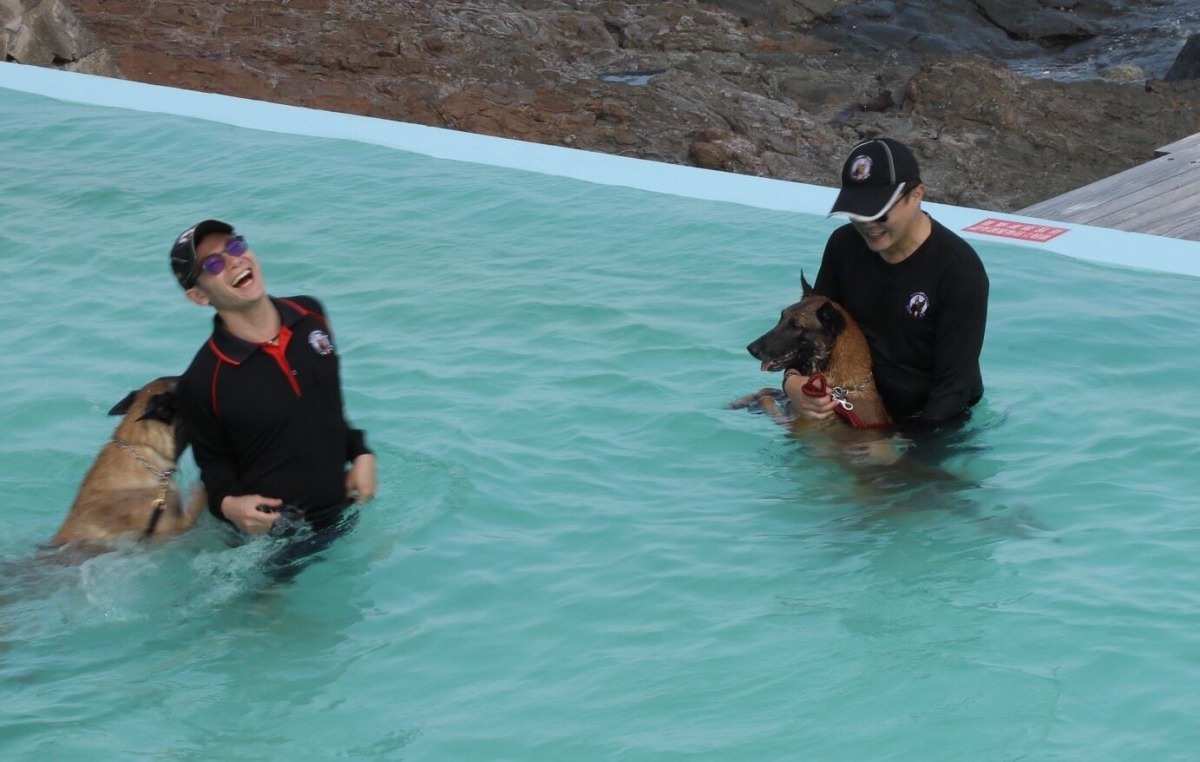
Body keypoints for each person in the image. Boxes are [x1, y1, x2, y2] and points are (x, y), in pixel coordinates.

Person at [169, 219, 377, 541]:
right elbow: (214, 467)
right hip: (273, 541)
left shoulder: (311, 315)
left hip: (343, 512)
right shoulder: (203, 380)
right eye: (214, 263)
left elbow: (327, 406)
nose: (235, 260)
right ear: (198, 295)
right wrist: (229, 506)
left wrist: (361, 452)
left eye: (235, 246)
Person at [784, 138, 988, 430]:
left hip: (933, 419)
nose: (868, 223)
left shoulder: (959, 271)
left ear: (916, 194)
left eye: (879, 212)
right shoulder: (843, 246)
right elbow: (814, 335)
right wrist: (793, 385)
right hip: (856, 402)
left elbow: (953, 389)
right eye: (858, 211)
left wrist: (902, 449)